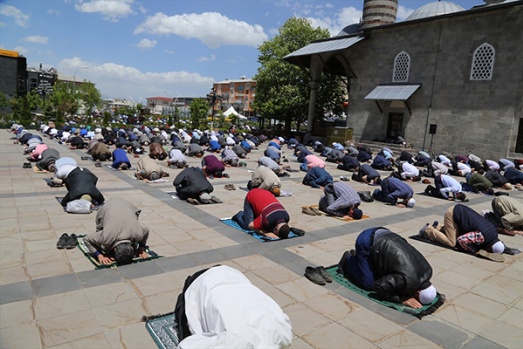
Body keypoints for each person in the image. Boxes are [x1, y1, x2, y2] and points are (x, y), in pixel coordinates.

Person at [175, 265, 292, 348]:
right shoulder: (234, 342)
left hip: (232, 273)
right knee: (184, 327)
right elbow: (186, 345)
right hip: (200, 282)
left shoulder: (285, 334)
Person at [338, 227, 437, 308]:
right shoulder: (405, 279)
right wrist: (400, 299)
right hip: (367, 240)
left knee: (380, 273)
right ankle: (348, 259)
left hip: (387, 234)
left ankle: (362, 262)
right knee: (368, 284)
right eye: (417, 298)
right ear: (418, 292)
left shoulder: (428, 270)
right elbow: (378, 286)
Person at [420, 204, 506, 260]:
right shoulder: (482, 236)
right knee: (452, 242)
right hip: (453, 214)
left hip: (460, 211)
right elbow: (461, 240)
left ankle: (439, 226)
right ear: (490, 247)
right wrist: (473, 250)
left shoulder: (494, 232)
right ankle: (429, 229)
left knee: (457, 235)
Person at [83, 198, 149, 265]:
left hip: (127, 205)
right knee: (100, 239)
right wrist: (100, 255)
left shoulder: (137, 233)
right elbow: (86, 239)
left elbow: (146, 230)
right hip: (106, 207)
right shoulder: (106, 237)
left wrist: (141, 248)